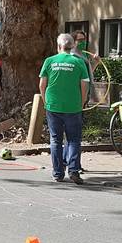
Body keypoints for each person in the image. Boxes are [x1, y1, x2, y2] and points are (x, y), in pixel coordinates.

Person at [39, 33, 90, 185]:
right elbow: (84, 85)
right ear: (73, 46)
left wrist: (45, 101)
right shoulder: (79, 62)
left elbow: (42, 85)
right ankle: (73, 170)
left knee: (56, 139)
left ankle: (57, 173)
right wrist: (81, 103)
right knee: (74, 139)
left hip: (53, 106)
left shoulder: (49, 61)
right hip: (73, 107)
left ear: (59, 46)